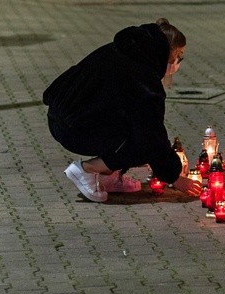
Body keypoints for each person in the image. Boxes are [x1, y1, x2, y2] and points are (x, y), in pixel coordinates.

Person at [43, 18, 202, 202]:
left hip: (60, 116)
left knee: (132, 125)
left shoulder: (125, 50)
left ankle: (107, 177)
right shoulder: (144, 78)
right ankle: (86, 169)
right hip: (74, 128)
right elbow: (151, 134)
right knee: (143, 144)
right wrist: (173, 176)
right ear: (167, 51)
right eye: (179, 55)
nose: (178, 62)